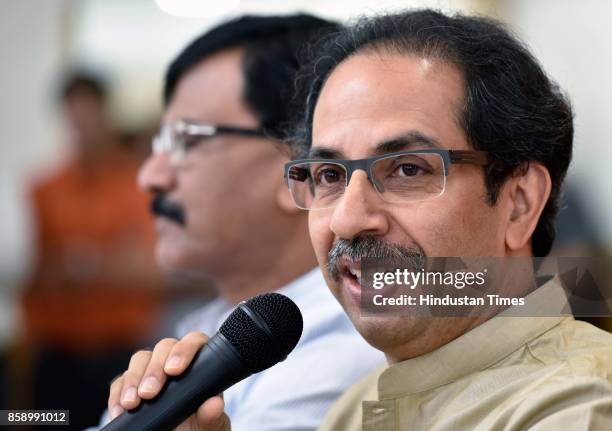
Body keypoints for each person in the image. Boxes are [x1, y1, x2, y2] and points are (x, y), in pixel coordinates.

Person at [284, 9, 612, 430]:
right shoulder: (356, 407)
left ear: (519, 202)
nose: (348, 220)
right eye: (329, 176)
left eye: (407, 169)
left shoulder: (578, 406)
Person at [100, 15, 385, 431]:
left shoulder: (342, 354)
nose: (150, 176)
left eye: (187, 140)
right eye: (159, 143)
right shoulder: (219, 323)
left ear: (298, 170)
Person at [21, 73, 164, 429]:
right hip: (56, 355)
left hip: (121, 355)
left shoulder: (140, 184)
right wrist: (109, 263)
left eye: (89, 115)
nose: (82, 127)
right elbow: (36, 273)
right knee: (42, 423)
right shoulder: (44, 188)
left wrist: (82, 266)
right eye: (74, 118)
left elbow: (149, 269)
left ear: (105, 113)